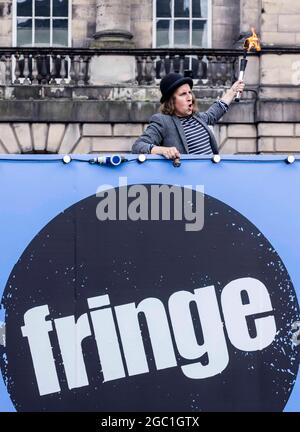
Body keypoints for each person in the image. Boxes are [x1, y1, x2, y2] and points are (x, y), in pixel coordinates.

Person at [132, 72, 245, 159]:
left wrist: (233, 91)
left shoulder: (198, 117)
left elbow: (215, 111)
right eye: (183, 94)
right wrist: (162, 150)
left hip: (212, 177)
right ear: (171, 101)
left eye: (190, 92)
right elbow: (138, 146)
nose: (189, 97)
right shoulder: (162, 121)